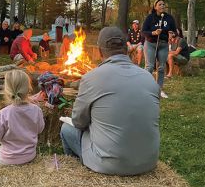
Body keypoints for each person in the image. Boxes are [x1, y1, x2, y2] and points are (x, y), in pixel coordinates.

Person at [60, 26, 160, 176]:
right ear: (126, 48)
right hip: (148, 161)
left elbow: (78, 122)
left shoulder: (91, 78)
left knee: (66, 129)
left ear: (100, 51)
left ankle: (77, 175)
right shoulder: (149, 78)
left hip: (109, 165)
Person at [0, 69, 45, 165]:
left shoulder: (4, 114)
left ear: (7, 91)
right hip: (30, 156)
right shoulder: (37, 110)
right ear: (28, 89)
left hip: (9, 158)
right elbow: (40, 129)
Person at [142, 0, 176, 99]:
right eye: (160, 4)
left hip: (163, 45)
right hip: (151, 44)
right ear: (155, 7)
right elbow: (143, 32)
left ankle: (159, 90)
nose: (162, 6)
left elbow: (175, 31)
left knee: (161, 68)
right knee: (150, 67)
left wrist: (172, 34)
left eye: (163, 4)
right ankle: (144, 89)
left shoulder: (169, 18)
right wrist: (153, 33)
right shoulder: (150, 18)